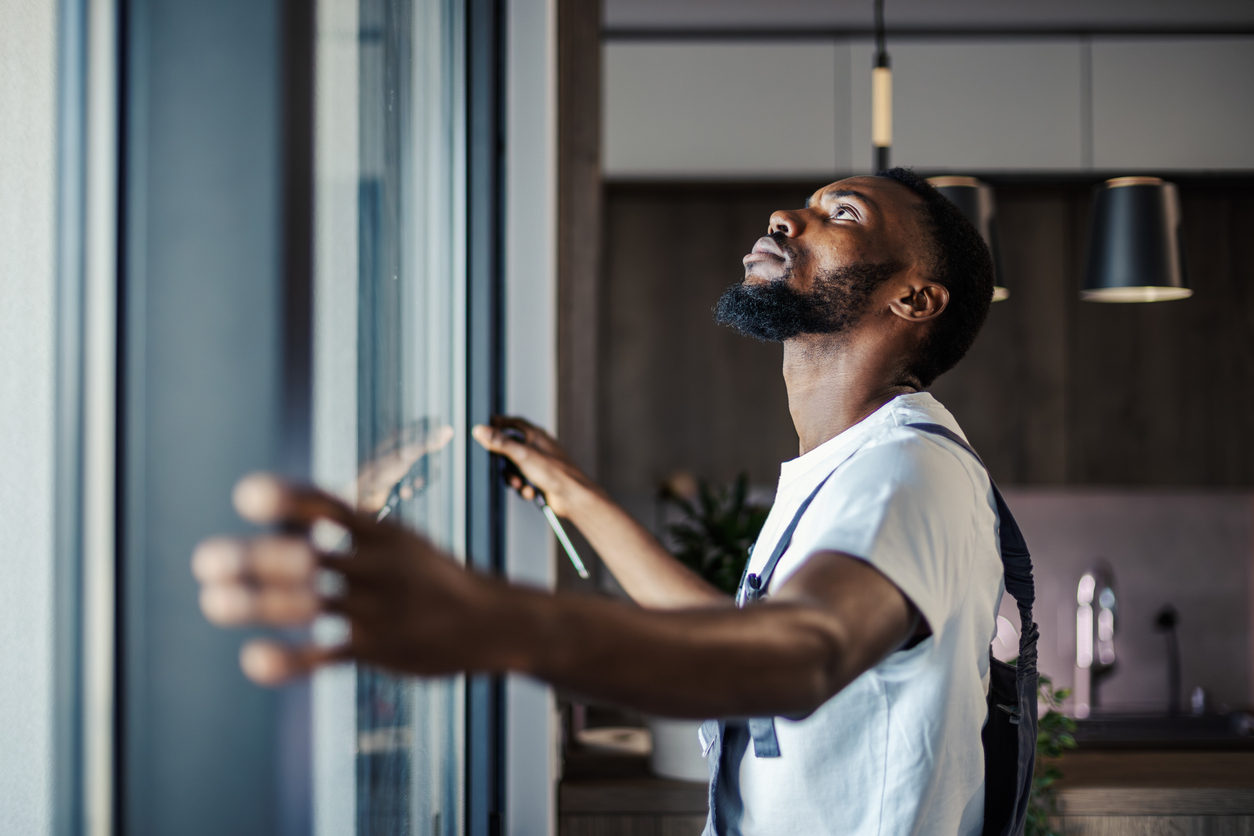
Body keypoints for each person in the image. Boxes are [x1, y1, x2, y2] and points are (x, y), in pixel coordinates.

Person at [193, 168, 1004, 835]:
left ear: (915, 299)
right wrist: (575, 497)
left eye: (843, 214)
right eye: (808, 202)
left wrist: (488, 619)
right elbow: (731, 635)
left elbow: (802, 654)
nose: (786, 216)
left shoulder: (906, 469)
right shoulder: (852, 465)